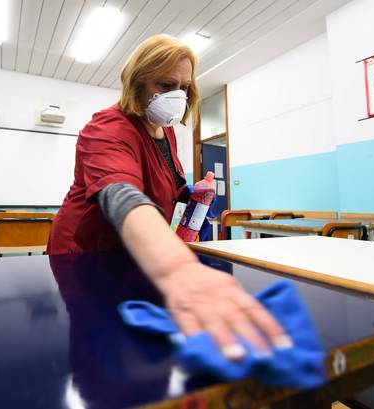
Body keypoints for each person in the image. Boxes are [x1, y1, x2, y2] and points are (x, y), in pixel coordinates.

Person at [48, 34, 290, 359]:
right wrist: (177, 269)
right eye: (165, 84)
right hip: (88, 259)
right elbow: (122, 195)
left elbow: (165, 188)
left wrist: (191, 201)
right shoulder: (107, 128)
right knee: (102, 349)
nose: (177, 95)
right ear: (137, 83)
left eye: (184, 87)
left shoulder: (168, 133)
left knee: (143, 351)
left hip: (135, 259)